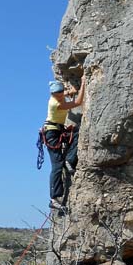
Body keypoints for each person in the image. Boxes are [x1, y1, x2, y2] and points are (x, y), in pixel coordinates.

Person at [43, 75, 85, 210]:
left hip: (57, 130)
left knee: (77, 134)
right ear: (53, 94)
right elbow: (78, 102)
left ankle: (69, 160)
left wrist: (71, 91)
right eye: (58, 94)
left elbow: (68, 93)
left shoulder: (58, 96)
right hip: (52, 133)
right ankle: (53, 198)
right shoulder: (56, 103)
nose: (61, 95)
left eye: (62, 93)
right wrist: (83, 83)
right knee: (57, 164)